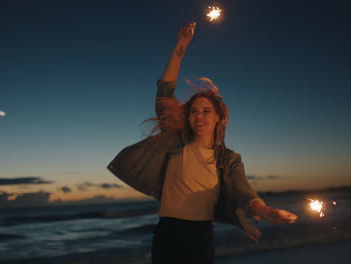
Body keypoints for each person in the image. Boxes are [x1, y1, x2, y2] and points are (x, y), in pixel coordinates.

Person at [108, 22, 298, 264]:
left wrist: (268, 212)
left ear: (219, 117)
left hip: (202, 235)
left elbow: (244, 193)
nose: (199, 116)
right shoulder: (175, 142)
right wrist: (181, 44)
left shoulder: (229, 160)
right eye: (194, 111)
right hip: (169, 232)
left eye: (206, 111)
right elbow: (165, 92)